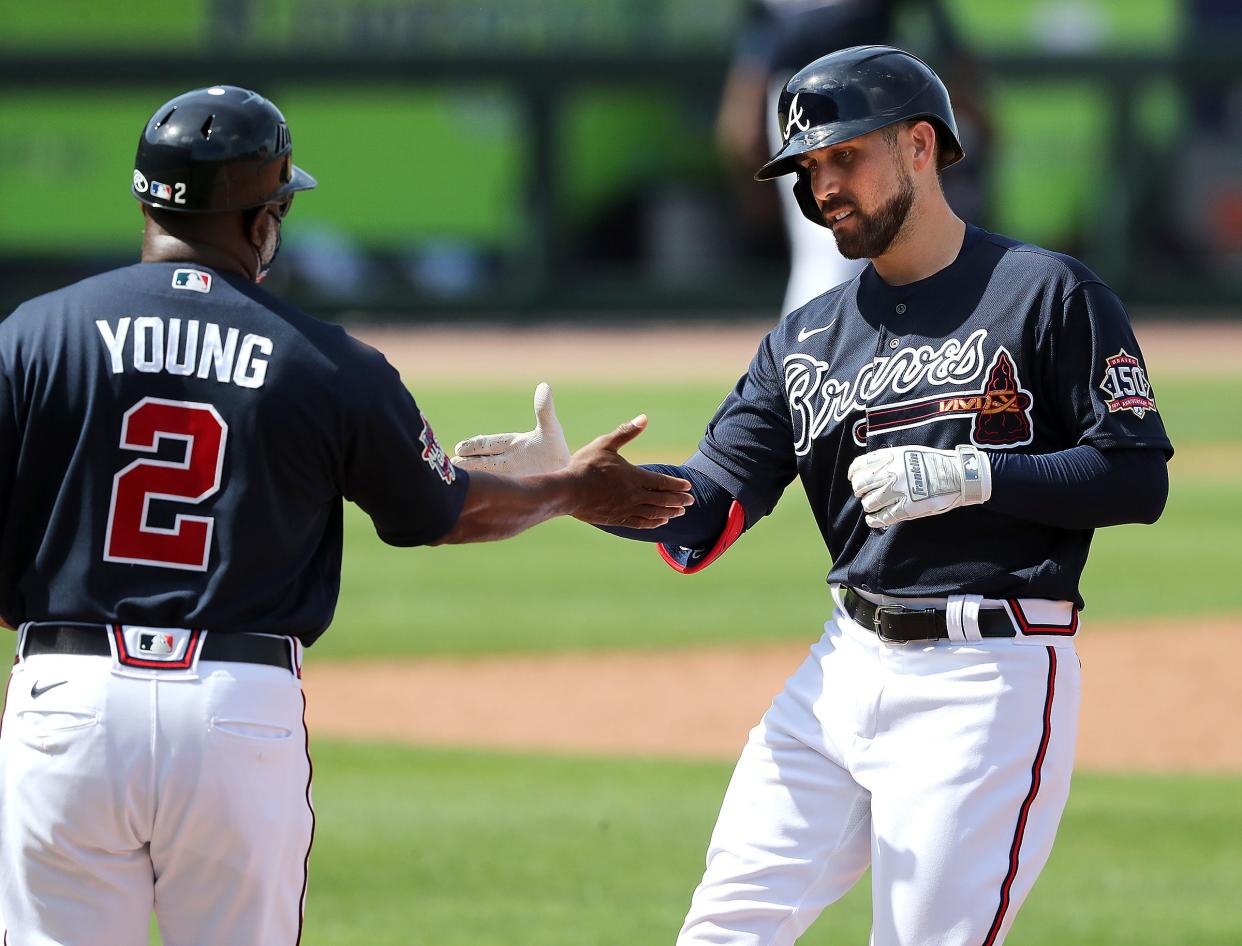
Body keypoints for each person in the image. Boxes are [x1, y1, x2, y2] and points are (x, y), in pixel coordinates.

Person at [453, 46, 1172, 946]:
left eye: (844, 157)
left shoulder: (1046, 294)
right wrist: (577, 490)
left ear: (920, 145)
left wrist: (976, 476)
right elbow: (707, 511)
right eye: (807, 167)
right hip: (841, 670)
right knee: (722, 930)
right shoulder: (807, 338)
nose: (823, 185)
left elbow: (1136, 476)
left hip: (985, 679)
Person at [0, 85, 693, 946]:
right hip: (234, 711)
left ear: (146, 197)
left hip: (66, 702)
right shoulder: (322, 361)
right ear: (261, 223)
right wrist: (569, 490)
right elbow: (446, 510)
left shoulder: (30, 337)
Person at [715, 0, 990, 316]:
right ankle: (810, 354)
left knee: (892, 230)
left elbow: (943, 35)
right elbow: (764, 35)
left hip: (874, 87)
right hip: (804, 91)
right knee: (828, 243)